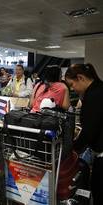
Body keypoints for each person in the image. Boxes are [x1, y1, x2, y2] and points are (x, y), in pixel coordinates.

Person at [65, 63, 103, 205]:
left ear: (80, 78)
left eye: (72, 84)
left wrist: (73, 148)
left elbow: (90, 130)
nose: (72, 88)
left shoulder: (95, 95)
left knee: (99, 191)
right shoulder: (98, 89)